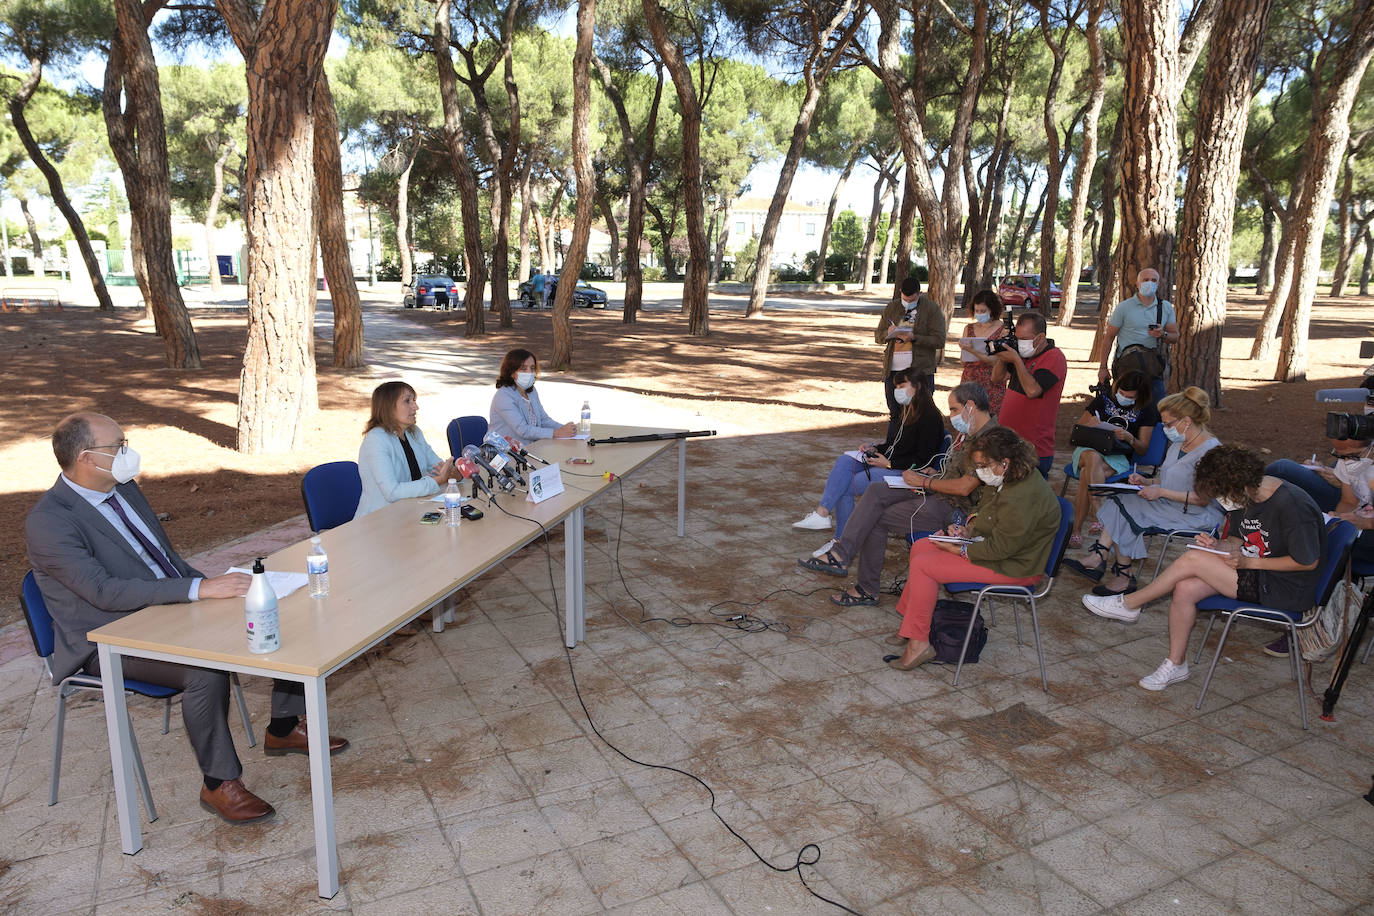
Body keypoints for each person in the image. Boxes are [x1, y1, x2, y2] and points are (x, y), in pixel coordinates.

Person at [24, 414, 348, 824]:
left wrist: (208, 585)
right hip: (106, 638)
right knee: (204, 669)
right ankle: (219, 784)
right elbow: (102, 593)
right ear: (86, 458)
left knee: (272, 606)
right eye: (118, 446)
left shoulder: (123, 488)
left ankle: (282, 726)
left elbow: (163, 558)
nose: (128, 453)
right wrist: (199, 591)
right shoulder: (50, 521)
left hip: (166, 607)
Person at [1082, 445, 1324, 692]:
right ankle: (1176, 664)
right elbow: (1238, 542)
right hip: (1257, 572)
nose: (1219, 502)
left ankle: (1130, 604)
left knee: (1194, 560)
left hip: (1286, 588)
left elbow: (1307, 561)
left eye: (1220, 494)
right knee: (1185, 588)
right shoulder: (1246, 494)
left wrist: (1251, 562)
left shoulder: (1291, 505)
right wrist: (1217, 545)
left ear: (1235, 484)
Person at [798, 383, 996, 608]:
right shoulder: (973, 433)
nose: (950, 416)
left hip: (956, 508)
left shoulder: (989, 439)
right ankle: (843, 557)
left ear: (970, 406)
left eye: (953, 409)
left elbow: (965, 488)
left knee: (876, 516)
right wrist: (934, 474)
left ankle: (861, 582)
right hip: (939, 490)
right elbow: (961, 475)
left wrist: (924, 481)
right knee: (876, 490)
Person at [885, 427, 1061, 669]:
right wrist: (966, 530)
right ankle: (911, 625)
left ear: (1005, 462)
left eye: (983, 465)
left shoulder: (1023, 494)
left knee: (924, 565)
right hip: (1001, 553)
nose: (979, 471)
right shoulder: (1008, 478)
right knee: (921, 547)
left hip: (1016, 567)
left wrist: (958, 549)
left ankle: (918, 643)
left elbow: (1002, 549)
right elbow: (984, 510)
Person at [1063, 387, 1225, 596]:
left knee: (1126, 509)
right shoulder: (1180, 443)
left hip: (1195, 514)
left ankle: (1116, 569)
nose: (1165, 429)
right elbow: (1171, 480)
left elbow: (1203, 498)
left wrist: (1160, 492)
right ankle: (1110, 565)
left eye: (1168, 424)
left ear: (1186, 421)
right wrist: (1147, 481)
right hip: (1171, 503)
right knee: (1119, 500)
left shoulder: (1211, 451)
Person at [792, 371, 946, 539]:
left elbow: (922, 458)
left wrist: (889, 464)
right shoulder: (907, 411)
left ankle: (842, 540)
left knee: (846, 487)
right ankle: (822, 514)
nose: (898, 390)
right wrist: (874, 448)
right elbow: (893, 444)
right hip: (889, 463)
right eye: (896, 387)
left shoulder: (930, 417)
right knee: (844, 461)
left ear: (918, 387)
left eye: (902, 386)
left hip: (905, 471)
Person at [1263, 427, 1374, 656]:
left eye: (1352, 455)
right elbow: (1347, 501)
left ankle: (1304, 628)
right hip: (1361, 524)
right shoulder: (1352, 458)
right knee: (1311, 536)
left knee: (1324, 549)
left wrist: (1366, 523)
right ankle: (1299, 617)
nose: (1345, 461)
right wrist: (1340, 517)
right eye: (1339, 455)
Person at [1066, 371, 1160, 548]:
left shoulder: (1147, 410)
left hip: (1117, 456)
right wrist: (1092, 424)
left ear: (1140, 395)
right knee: (1092, 457)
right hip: (1088, 449)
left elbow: (1143, 448)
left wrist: (1129, 437)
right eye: (1121, 393)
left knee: (1088, 473)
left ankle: (1076, 531)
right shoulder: (1103, 400)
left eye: (1129, 396)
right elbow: (1078, 430)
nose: (1123, 397)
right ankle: (1098, 513)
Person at [354, 381, 457, 519]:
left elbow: (437, 468)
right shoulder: (376, 440)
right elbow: (392, 492)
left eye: (414, 400)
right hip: (378, 521)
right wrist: (438, 480)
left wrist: (454, 474)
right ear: (388, 408)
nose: (416, 407)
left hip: (409, 513)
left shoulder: (414, 433)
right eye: (407, 401)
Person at [991, 310, 1066, 478]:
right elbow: (996, 378)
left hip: (1034, 447)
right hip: (1009, 442)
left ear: (1040, 338)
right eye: (1017, 338)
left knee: (1028, 498)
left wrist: (1017, 360)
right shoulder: (1024, 354)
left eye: (1024, 339)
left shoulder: (1054, 357)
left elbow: (1033, 391)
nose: (1020, 343)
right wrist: (1004, 352)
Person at [877, 275, 946, 442]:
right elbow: (878, 336)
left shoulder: (931, 309)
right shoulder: (892, 307)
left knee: (921, 413)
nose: (908, 301)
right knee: (895, 412)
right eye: (904, 298)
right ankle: (891, 450)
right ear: (900, 292)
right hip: (893, 371)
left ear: (920, 293)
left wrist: (915, 338)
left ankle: (921, 450)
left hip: (919, 371)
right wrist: (888, 333)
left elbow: (939, 340)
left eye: (912, 299)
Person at [1098, 267, 1179, 400]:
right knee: (1124, 407)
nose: (1149, 283)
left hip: (1152, 369)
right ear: (1137, 283)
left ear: (1158, 284)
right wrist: (1103, 367)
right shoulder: (1124, 307)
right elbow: (1109, 337)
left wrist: (1162, 334)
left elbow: (1175, 337)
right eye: (1145, 280)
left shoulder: (1165, 307)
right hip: (1127, 367)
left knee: (1155, 409)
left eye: (1154, 280)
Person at [488, 348, 576, 442]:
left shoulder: (531, 392)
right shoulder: (503, 396)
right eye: (523, 368)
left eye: (532, 368)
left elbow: (543, 420)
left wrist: (565, 429)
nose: (529, 372)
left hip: (529, 448)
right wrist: (557, 433)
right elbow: (523, 430)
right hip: (503, 452)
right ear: (512, 372)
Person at [955, 290, 1009, 416]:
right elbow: (963, 361)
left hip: (992, 382)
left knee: (989, 422)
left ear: (992, 310)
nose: (979, 314)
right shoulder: (968, 328)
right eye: (976, 311)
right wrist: (966, 352)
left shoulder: (1003, 330)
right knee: (968, 420)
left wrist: (972, 351)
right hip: (969, 381)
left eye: (983, 311)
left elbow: (996, 360)